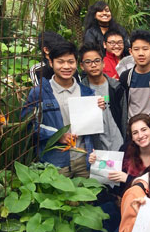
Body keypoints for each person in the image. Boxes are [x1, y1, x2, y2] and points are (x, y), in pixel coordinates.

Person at [23, 42, 103, 178]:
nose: (66, 66)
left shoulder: (87, 93)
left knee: (86, 198)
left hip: (84, 160)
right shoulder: (39, 93)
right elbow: (28, 126)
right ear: (51, 62)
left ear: (76, 63)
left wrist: (98, 109)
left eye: (70, 62)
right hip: (55, 163)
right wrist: (57, 135)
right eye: (60, 62)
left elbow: (93, 128)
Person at [88, 114, 150, 232]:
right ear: (132, 137)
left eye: (144, 130)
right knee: (96, 217)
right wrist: (96, 161)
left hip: (149, 209)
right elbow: (111, 171)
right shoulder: (127, 149)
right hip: (122, 203)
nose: (140, 135)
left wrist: (127, 178)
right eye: (135, 133)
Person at [79, 42, 125, 151]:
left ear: (103, 63)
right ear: (82, 66)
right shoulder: (80, 91)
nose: (93, 65)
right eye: (88, 62)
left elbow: (124, 116)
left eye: (96, 61)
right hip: (95, 148)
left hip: (119, 144)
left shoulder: (116, 87)